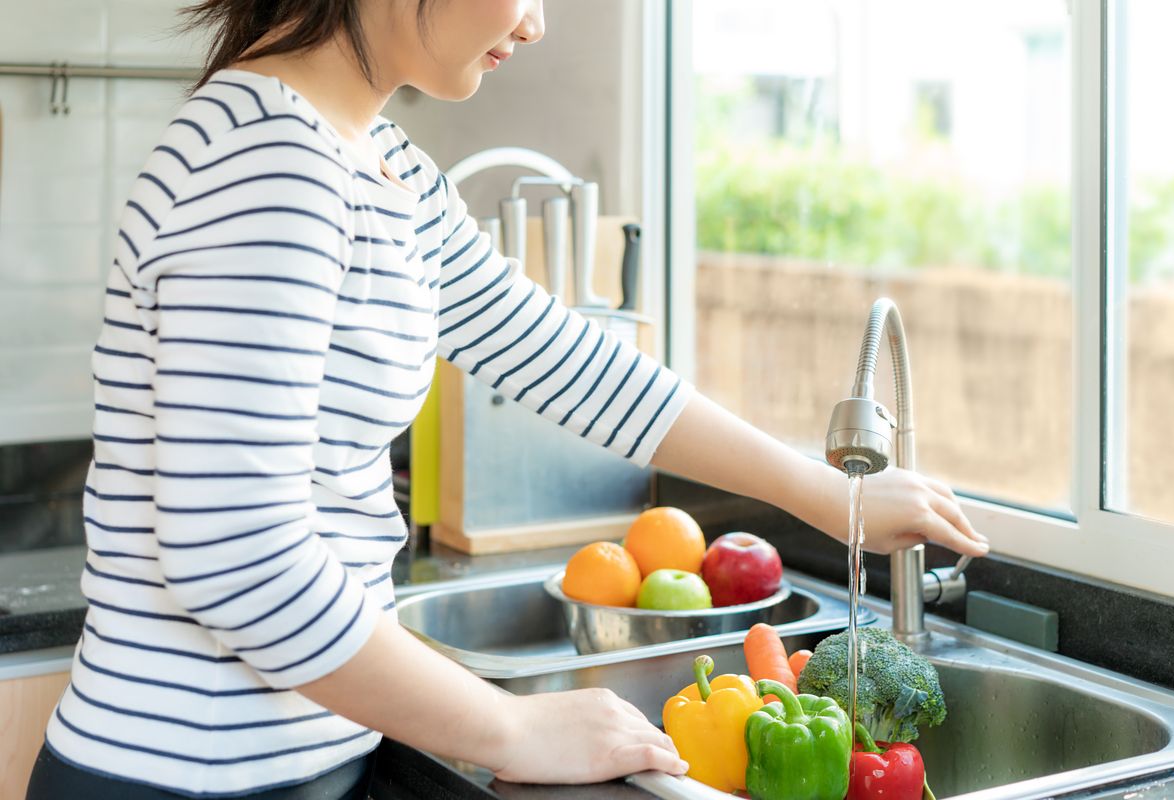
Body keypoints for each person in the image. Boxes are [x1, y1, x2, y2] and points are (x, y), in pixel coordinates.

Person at [25, 1, 989, 797]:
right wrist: (509, 728)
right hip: (191, 775)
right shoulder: (268, 166)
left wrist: (827, 493)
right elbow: (237, 559)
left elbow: (558, 355)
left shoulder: (377, 162)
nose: (535, 24)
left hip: (296, 764)